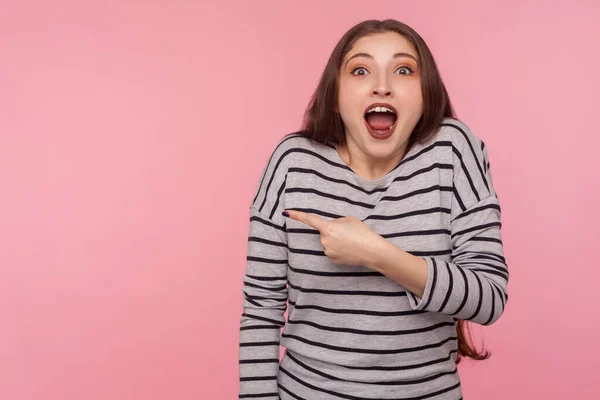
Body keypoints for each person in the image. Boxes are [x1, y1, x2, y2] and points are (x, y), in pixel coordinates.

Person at [238, 19, 508, 400]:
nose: (382, 86)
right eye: (361, 70)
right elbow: (261, 312)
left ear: (426, 94)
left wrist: (376, 253)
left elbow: (489, 298)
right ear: (335, 95)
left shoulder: (453, 150)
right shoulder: (292, 163)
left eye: (403, 70)